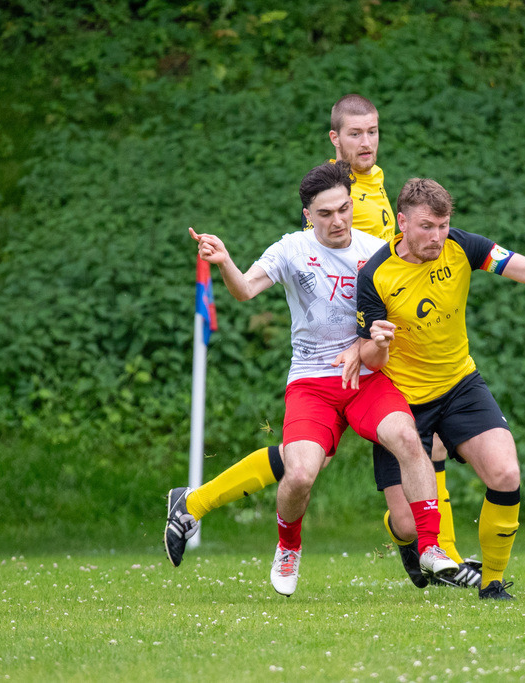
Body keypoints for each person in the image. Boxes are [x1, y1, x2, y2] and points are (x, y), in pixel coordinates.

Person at [165, 94, 480, 590]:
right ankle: (287, 548)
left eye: (344, 210)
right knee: (301, 470)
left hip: (373, 375)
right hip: (313, 379)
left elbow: (407, 293)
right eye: (326, 213)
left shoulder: (376, 250)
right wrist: (224, 259)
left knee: (412, 440)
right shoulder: (291, 248)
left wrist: (386, 334)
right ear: (308, 214)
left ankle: (435, 550)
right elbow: (245, 291)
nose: (338, 220)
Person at [355, 177, 525, 599]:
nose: (436, 236)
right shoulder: (375, 275)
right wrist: (378, 345)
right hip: (400, 401)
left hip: (459, 386)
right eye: (426, 227)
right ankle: (406, 542)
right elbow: (367, 356)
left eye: (443, 225)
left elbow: (524, 267)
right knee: (408, 524)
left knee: (505, 473)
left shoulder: (462, 246)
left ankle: (491, 584)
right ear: (402, 222)